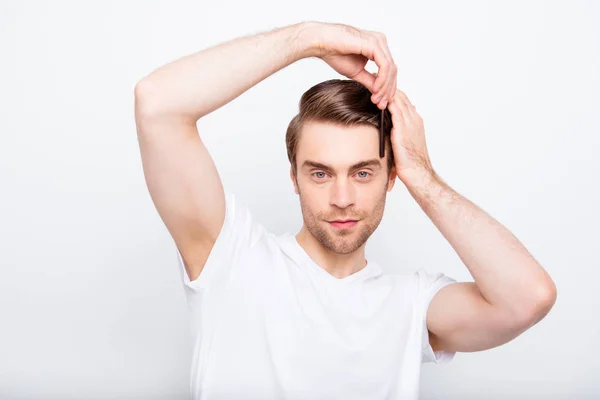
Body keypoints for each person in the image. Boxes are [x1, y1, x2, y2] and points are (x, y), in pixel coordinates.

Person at [133, 21, 557, 400]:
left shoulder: (410, 306)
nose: (341, 198)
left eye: (362, 173)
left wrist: (423, 176)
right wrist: (309, 40)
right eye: (320, 174)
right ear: (294, 178)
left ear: (392, 177)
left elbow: (528, 299)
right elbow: (157, 104)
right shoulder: (231, 259)